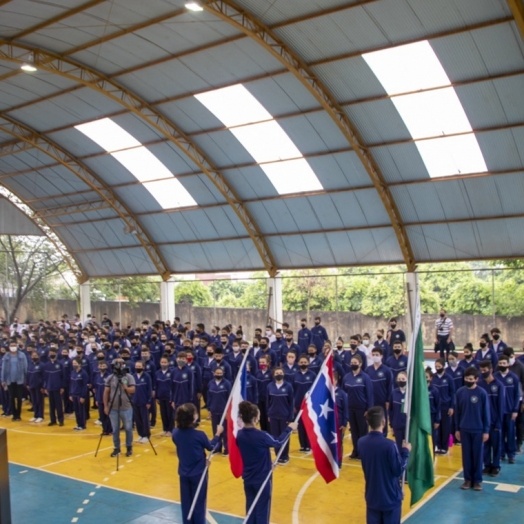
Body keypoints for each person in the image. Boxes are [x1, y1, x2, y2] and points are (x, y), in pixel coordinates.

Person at [236, 401, 297, 524]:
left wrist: (268, 464)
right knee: (262, 511)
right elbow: (278, 442)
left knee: (250, 509)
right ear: (254, 419)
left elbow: (253, 454)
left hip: (248, 478)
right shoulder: (261, 436)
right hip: (262, 480)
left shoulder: (240, 435)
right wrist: (289, 429)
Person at [172, 403, 224, 524]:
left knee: (186, 503)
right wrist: (217, 434)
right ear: (192, 417)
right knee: (199, 503)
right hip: (199, 474)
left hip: (184, 473)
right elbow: (211, 447)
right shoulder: (199, 435)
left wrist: (201, 457)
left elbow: (187, 448)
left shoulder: (175, 433)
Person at [359, 406, 411, 524]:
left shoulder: (361, 443)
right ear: (384, 422)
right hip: (390, 498)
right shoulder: (389, 445)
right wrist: (405, 452)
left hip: (372, 497)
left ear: (368, 422)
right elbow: (398, 470)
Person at [454, 367, 490, 490]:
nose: (468, 380)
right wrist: (457, 429)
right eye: (466, 378)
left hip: (478, 430)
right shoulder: (460, 392)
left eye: (470, 379)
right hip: (464, 429)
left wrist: (486, 430)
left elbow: (486, 413)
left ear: (476, 379)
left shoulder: (482, 393)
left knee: (478, 456)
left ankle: (477, 481)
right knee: (466, 456)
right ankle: (467, 480)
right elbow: (457, 412)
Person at [343, 354, 374, 459]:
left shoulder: (365, 378)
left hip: (362, 409)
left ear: (360, 364)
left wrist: (369, 409)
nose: (353, 365)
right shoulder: (346, 377)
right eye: (351, 363)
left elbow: (369, 394)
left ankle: (363, 452)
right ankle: (355, 450)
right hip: (350, 408)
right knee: (354, 431)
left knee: (363, 432)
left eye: (355, 363)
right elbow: (344, 393)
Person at [104, 358, 136, 457]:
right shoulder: (110, 378)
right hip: (113, 408)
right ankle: (117, 448)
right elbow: (106, 392)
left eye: (121, 364)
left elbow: (133, 390)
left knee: (128, 428)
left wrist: (125, 387)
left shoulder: (129, 377)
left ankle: (129, 447)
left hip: (126, 407)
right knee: (115, 429)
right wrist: (105, 406)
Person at [478, 360, 505, 477]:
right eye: (481, 370)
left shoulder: (499, 385)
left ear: (491, 370)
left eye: (485, 370)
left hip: (495, 421)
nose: (483, 372)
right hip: (483, 422)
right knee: (486, 445)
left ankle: (496, 466)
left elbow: (501, 406)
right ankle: (487, 465)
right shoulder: (479, 385)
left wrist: (499, 422)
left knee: (496, 444)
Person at [495, 355, 520, 464]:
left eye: (504, 363)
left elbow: (517, 395)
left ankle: (511, 454)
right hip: (498, 412)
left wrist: (515, 410)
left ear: (508, 364)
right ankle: (501, 453)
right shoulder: (495, 377)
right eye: (500, 363)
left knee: (510, 433)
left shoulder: (514, 378)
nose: (502, 365)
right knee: (499, 433)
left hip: (510, 411)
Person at [266, 368, 294, 464]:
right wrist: (268, 414)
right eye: (277, 373)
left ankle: (285, 456)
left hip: (284, 416)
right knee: (275, 437)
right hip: (273, 415)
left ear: (284, 374)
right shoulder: (270, 386)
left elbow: (291, 403)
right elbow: (268, 402)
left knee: (284, 436)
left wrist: (290, 417)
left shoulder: (288, 386)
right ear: (274, 375)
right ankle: (278, 456)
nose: (279, 374)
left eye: (280, 373)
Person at [365, 347, 393, 436]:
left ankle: (383, 436)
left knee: (382, 419)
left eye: (377, 355)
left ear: (381, 356)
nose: (375, 357)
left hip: (382, 400)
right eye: (373, 355)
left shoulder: (387, 370)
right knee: (371, 419)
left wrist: (388, 400)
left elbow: (390, 386)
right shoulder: (368, 370)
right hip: (371, 401)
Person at [432, 358, 455, 455]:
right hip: (435, 407)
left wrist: (451, 407)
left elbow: (452, 393)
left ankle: (444, 447)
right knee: (437, 428)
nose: (437, 368)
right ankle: (438, 446)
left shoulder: (449, 378)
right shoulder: (433, 377)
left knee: (445, 428)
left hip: (446, 407)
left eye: (439, 366)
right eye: (436, 367)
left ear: (443, 366)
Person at [293, 355, 316, 452]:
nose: (303, 364)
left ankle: (309, 445)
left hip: (309, 405)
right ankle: (302, 445)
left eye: (305, 362)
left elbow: (315, 390)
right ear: (298, 363)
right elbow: (292, 390)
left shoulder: (313, 375)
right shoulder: (295, 375)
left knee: (308, 425)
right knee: (301, 426)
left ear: (308, 363)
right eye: (301, 362)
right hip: (298, 404)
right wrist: (293, 404)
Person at [1, 341, 28, 421]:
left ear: (17, 346)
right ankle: (14, 414)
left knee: (19, 398)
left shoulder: (22, 355)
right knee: (11, 397)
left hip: (19, 380)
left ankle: (18, 414)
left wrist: (25, 378)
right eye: (11, 345)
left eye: (14, 345)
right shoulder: (6, 356)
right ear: (9, 347)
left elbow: (25, 367)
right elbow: (3, 369)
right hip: (9, 380)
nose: (13, 347)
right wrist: (3, 380)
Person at [207, 367, 231, 456]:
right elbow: (209, 397)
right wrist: (209, 409)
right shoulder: (210, 383)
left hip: (223, 412)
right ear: (214, 373)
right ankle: (217, 447)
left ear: (223, 373)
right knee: (215, 430)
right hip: (214, 410)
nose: (219, 375)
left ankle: (227, 448)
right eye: (217, 373)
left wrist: (228, 411)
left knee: (225, 431)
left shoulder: (227, 384)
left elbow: (229, 398)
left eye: (220, 373)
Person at [132, 360, 152, 444]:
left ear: (143, 367)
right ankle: (140, 434)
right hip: (135, 401)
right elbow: (127, 384)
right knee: (137, 420)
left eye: (139, 367)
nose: (138, 368)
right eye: (136, 366)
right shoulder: (133, 376)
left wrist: (149, 401)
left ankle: (146, 435)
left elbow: (149, 389)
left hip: (144, 402)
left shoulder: (147, 376)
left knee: (145, 419)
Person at [43, 349, 64, 426]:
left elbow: (63, 376)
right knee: (51, 405)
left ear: (56, 354)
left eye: (53, 353)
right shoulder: (46, 365)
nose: (52, 354)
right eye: (50, 353)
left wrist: (62, 387)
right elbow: (45, 377)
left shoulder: (60, 364)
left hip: (57, 388)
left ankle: (61, 420)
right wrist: (45, 387)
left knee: (59, 405)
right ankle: (53, 420)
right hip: (49, 388)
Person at [388, 371, 407, 452]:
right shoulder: (394, 393)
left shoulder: (410, 394)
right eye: (399, 379)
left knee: (407, 447)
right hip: (397, 424)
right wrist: (391, 424)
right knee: (399, 447)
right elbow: (391, 410)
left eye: (403, 379)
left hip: (408, 425)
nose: (401, 381)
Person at [70, 358, 89, 431]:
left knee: (81, 411)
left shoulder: (84, 373)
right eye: (73, 363)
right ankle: (78, 424)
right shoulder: (72, 372)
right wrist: (70, 394)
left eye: (75, 363)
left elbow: (85, 386)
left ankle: (83, 425)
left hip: (80, 395)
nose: (74, 365)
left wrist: (83, 396)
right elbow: (71, 384)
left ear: (80, 364)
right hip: (74, 394)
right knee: (76, 411)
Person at [26, 351, 44, 423]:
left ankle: (40, 416)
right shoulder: (30, 365)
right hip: (31, 385)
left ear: (38, 356)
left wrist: (43, 386)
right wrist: (27, 384)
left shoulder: (42, 365)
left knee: (39, 401)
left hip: (39, 386)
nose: (34, 357)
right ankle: (35, 415)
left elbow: (43, 377)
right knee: (34, 401)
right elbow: (28, 375)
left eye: (35, 355)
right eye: (33, 356)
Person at [426, 369, 441, 452]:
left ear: (431, 378)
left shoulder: (435, 391)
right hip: (422, 417)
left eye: (427, 377)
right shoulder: (419, 390)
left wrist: (437, 420)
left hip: (432, 417)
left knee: (432, 439)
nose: (425, 379)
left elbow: (438, 406)